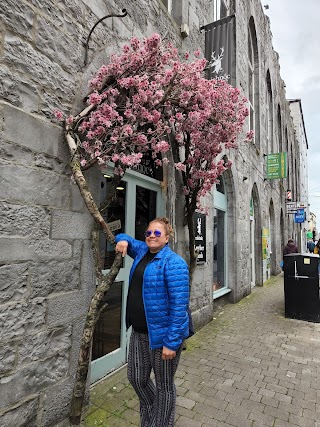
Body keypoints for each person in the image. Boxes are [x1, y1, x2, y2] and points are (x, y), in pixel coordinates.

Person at [115, 217, 190, 427]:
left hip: (162, 337)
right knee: (136, 378)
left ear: (167, 238)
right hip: (139, 332)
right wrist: (121, 240)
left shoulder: (174, 263)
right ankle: (153, 411)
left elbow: (179, 307)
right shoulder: (142, 252)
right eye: (148, 233)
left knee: (165, 385)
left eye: (157, 233)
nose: (152, 236)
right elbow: (123, 238)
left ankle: (161, 422)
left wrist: (171, 342)